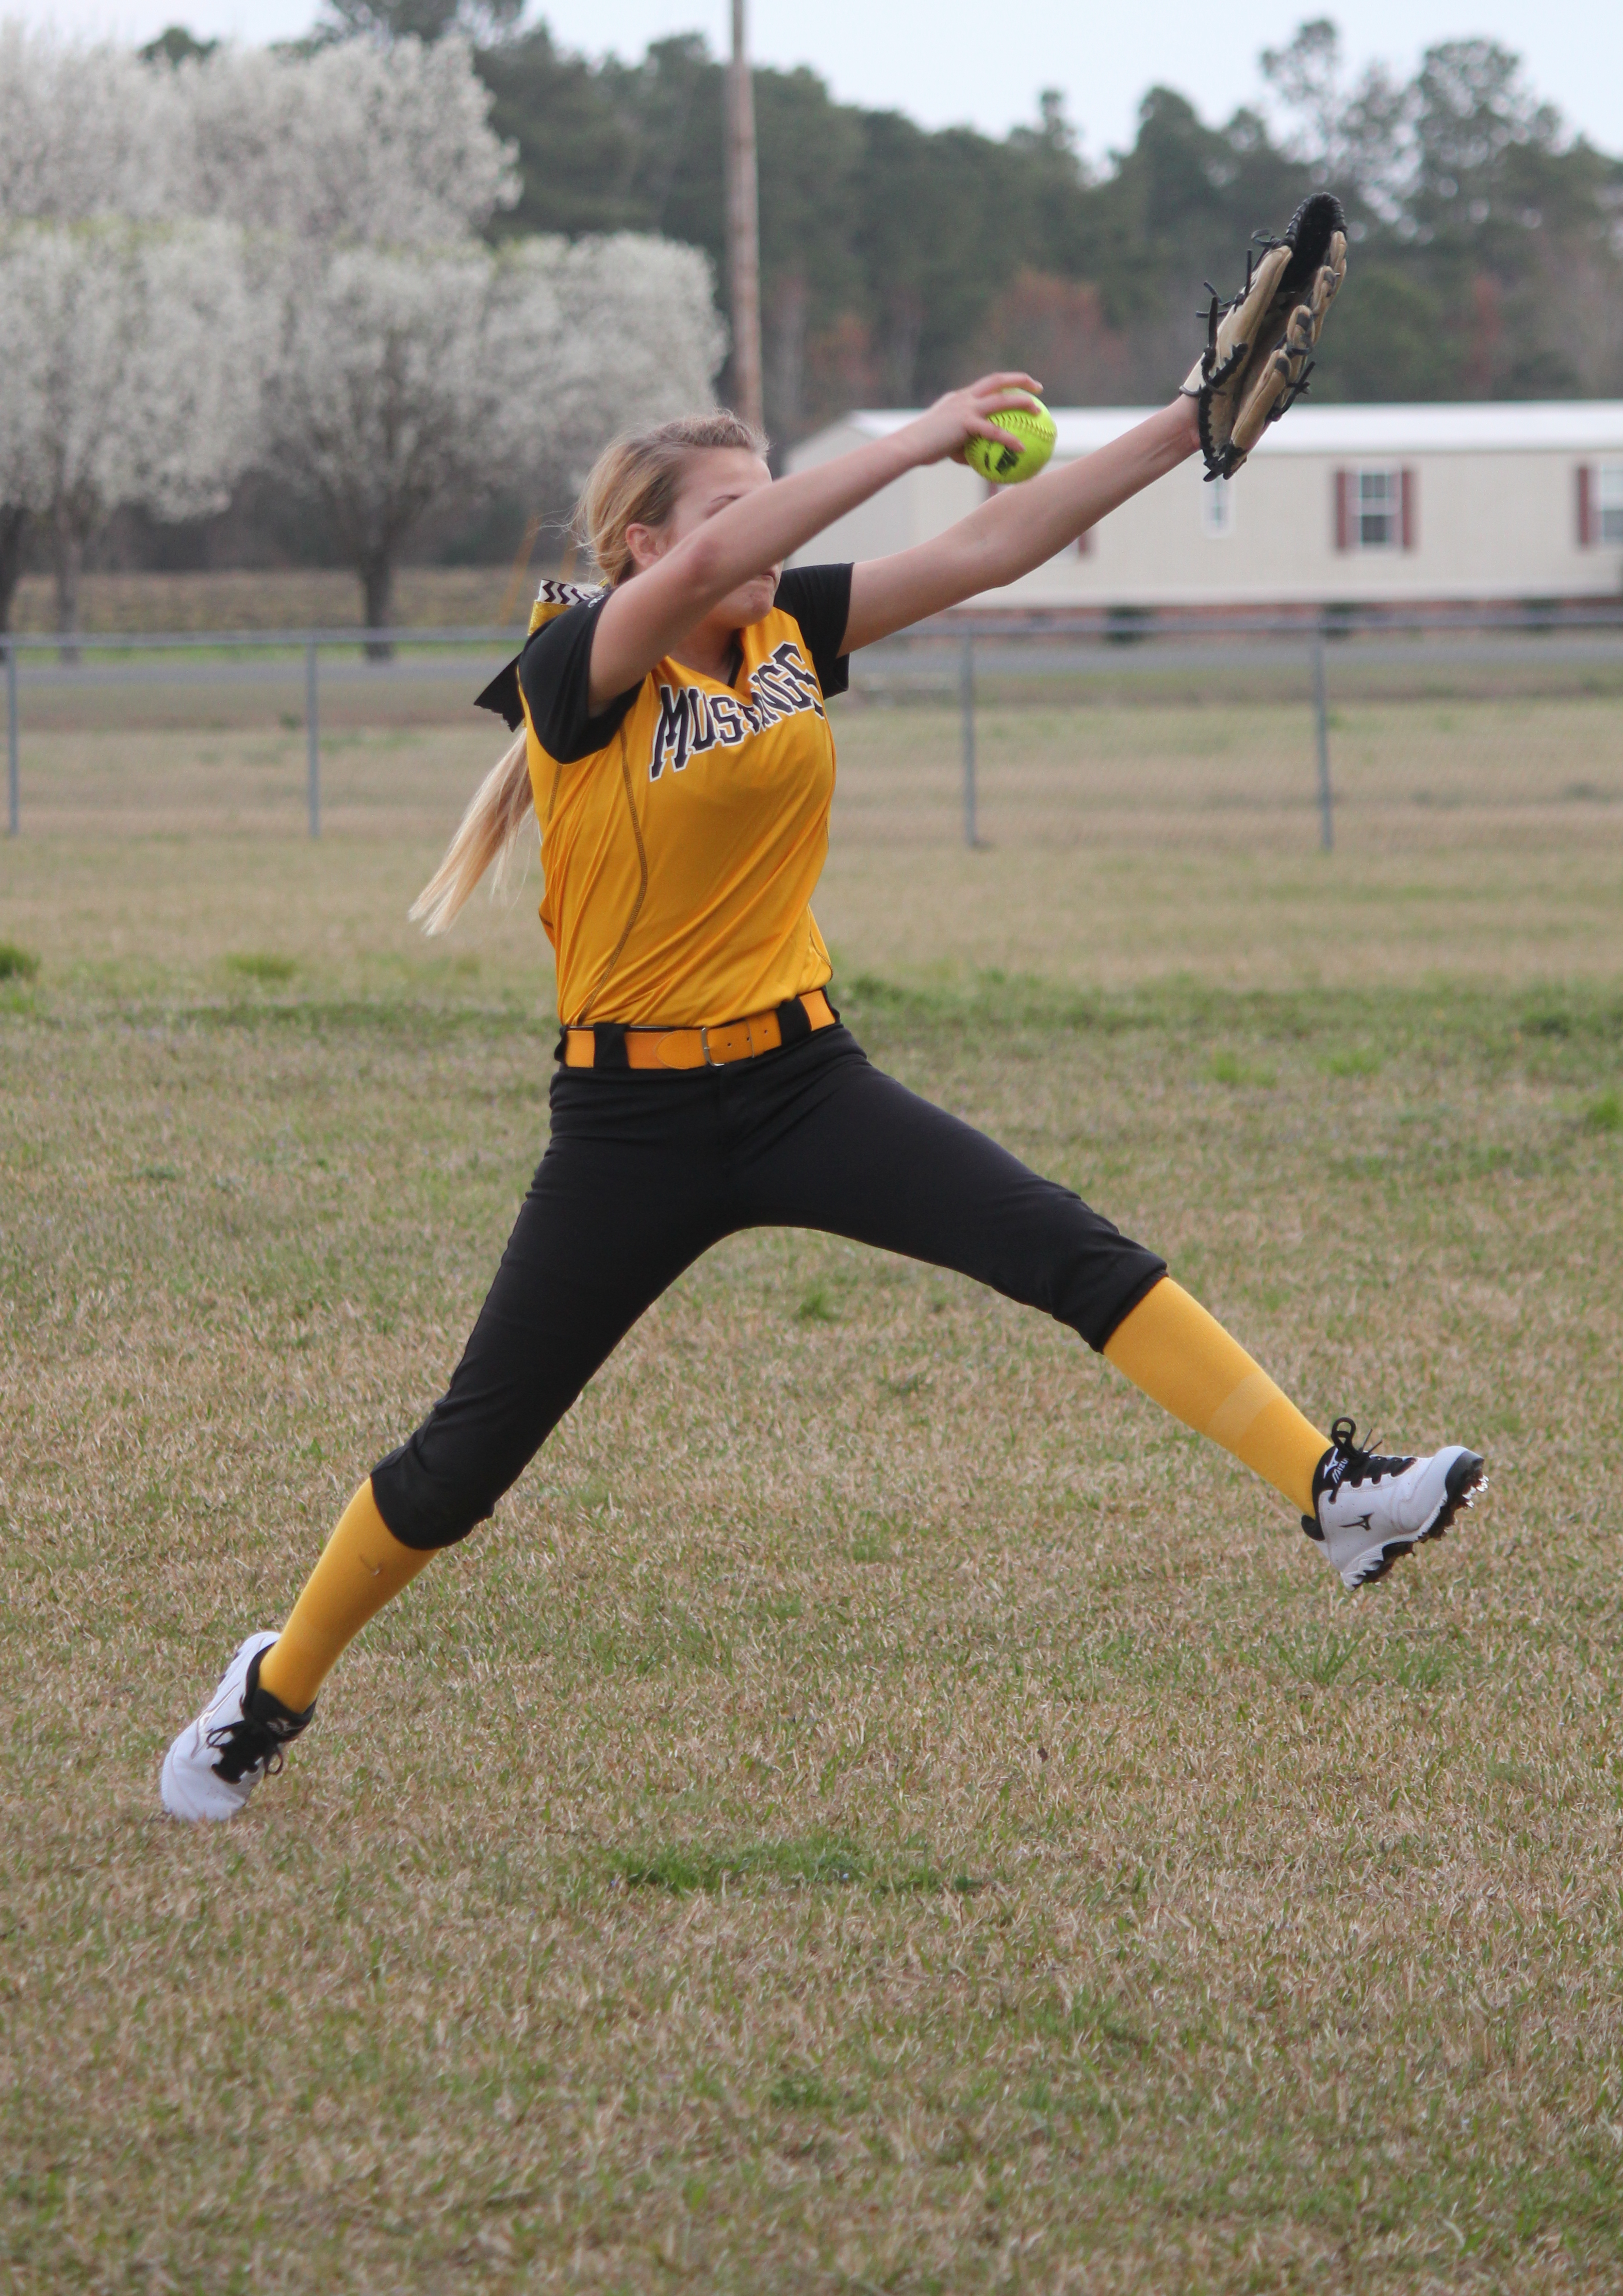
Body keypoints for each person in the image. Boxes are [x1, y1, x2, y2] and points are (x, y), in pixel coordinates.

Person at [161, 374, 1484, 1822]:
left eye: (771, 493)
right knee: (460, 1467)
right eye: (737, 507)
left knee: (1071, 1251)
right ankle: (274, 1687)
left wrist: (1188, 423)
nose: (766, 538)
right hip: (632, 1127)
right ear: (645, 548)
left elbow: (995, 548)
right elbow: (736, 559)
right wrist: (917, 439)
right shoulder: (579, 661)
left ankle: (1336, 1494)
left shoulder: (780, 630)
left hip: (802, 1079)